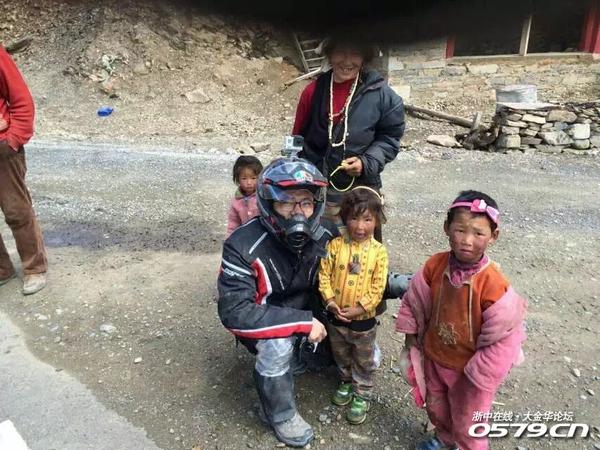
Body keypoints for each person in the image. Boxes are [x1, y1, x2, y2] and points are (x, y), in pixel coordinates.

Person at [217, 156, 338, 447]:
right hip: (269, 319)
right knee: (278, 345)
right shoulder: (242, 245)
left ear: (316, 204)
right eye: (286, 201)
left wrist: (400, 285)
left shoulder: (327, 234)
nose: (298, 212)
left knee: (363, 341)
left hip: (310, 310)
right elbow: (234, 312)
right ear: (269, 202)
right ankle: (280, 413)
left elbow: (351, 273)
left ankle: (313, 353)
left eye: (306, 202)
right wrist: (302, 323)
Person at [395, 190, 527, 450]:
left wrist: (480, 375)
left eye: (478, 233)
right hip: (435, 357)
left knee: (470, 421)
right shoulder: (434, 266)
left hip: (470, 371)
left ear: (494, 236)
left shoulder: (493, 283)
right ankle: (445, 438)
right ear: (447, 228)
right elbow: (415, 299)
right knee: (437, 407)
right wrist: (412, 339)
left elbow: (504, 335)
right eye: (460, 230)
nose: (467, 240)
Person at [292, 34, 405, 242]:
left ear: (364, 58)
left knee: (361, 249)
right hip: (318, 188)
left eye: (355, 54)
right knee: (321, 245)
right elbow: (297, 139)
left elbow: (390, 137)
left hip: (361, 189)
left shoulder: (382, 95)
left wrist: (366, 162)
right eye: (340, 53)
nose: (347, 61)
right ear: (329, 55)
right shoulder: (313, 91)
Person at [318, 186, 388, 425]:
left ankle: (362, 392)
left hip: (363, 322)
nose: (360, 226)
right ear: (344, 218)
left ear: (377, 220)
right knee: (340, 353)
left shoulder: (379, 252)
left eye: (367, 219)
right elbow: (324, 274)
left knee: (363, 357)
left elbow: (378, 287)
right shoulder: (335, 246)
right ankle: (346, 381)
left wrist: (360, 308)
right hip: (335, 317)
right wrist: (329, 301)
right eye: (354, 218)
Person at [0, 45, 48, 295]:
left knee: (16, 210)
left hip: (2, 149)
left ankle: (34, 269)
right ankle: (2, 270)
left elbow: (21, 99)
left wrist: (14, 139)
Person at [226, 155, 263, 236]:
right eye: (244, 178)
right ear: (238, 179)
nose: (249, 182)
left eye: (253, 178)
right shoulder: (236, 202)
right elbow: (233, 224)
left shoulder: (263, 197)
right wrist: (230, 240)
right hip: (245, 238)